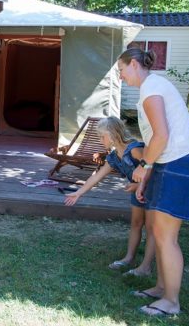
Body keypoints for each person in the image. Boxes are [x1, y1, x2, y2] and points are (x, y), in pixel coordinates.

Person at [118, 48, 189, 317]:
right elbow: (158, 141)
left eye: (121, 71)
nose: (121, 77)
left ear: (133, 64)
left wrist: (144, 168)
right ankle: (160, 287)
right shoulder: (151, 87)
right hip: (168, 163)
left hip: (180, 163)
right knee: (157, 230)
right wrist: (149, 174)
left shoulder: (151, 89)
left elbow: (161, 136)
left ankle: (171, 301)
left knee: (167, 237)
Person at [64, 116, 155, 277]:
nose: (100, 140)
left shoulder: (133, 148)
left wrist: (138, 185)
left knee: (151, 228)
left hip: (152, 189)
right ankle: (129, 258)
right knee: (135, 223)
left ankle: (146, 266)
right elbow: (97, 176)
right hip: (137, 191)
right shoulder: (113, 157)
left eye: (102, 136)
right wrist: (78, 193)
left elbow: (150, 167)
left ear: (112, 135)